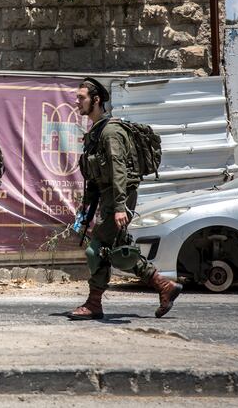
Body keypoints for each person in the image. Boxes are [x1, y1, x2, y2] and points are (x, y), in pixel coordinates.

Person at [69, 77, 182, 320]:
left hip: (119, 199)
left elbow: (118, 169)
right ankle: (164, 285)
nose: (76, 101)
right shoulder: (96, 131)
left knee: (95, 251)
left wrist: (120, 207)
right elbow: (96, 175)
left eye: (81, 98)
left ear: (96, 100)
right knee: (115, 251)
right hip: (110, 199)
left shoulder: (110, 132)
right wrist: (87, 205)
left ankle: (94, 303)